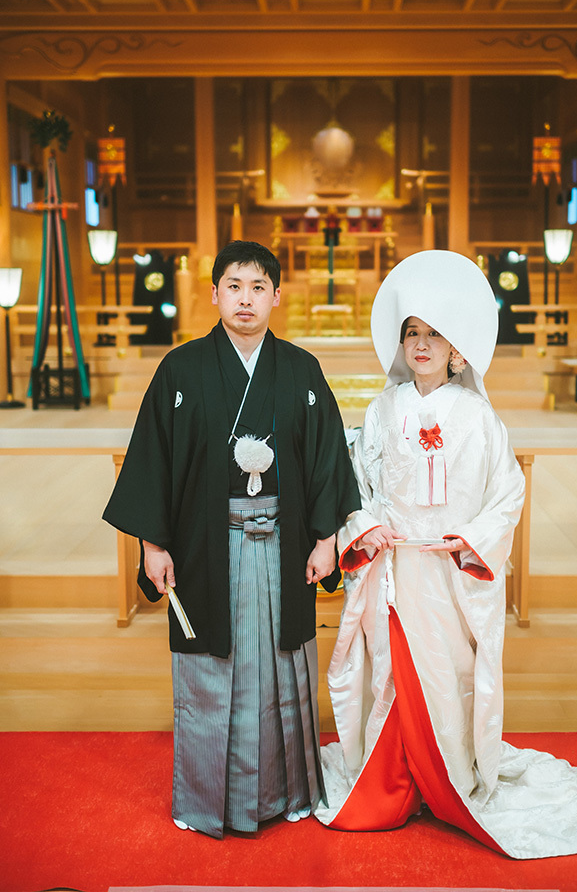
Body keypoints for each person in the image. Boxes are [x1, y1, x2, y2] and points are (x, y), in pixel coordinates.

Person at [314, 250, 577, 858]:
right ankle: (392, 786)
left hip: (448, 574)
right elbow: (357, 486)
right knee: (396, 677)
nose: (421, 344)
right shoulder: (381, 409)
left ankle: (444, 785)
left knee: (446, 680)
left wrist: (470, 543)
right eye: (412, 333)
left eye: (435, 335)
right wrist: (363, 526)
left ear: (457, 349)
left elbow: (506, 493)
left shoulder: (478, 417)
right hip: (394, 570)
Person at [103, 240, 359, 839]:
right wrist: (153, 544)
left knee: (281, 663)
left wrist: (325, 538)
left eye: (258, 287)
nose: (246, 299)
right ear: (215, 293)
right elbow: (154, 463)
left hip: (283, 544)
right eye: (235, 286)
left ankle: (286, 793)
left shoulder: (300, 370)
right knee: (210, 669)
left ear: (276, 297)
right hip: (203, 547)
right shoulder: (181, 369)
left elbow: (327, 461)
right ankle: (205, 799)